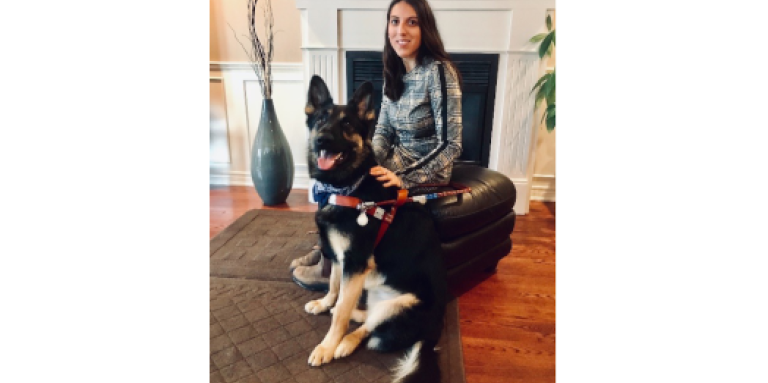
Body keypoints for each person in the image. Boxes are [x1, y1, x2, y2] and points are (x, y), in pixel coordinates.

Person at [291, 0, 463, 291]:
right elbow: (382, 130)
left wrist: (403, 177)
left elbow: (451, 144)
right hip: (393, 161)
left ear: (425, 28)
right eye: (395, 21)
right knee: (341, 171)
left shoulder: (439, 72)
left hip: (427, 170)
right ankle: (330, 249)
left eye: (412, 22)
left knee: (351, 182)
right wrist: (368, 161)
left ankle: (330, 264)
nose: (401, 31)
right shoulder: (394, 72)